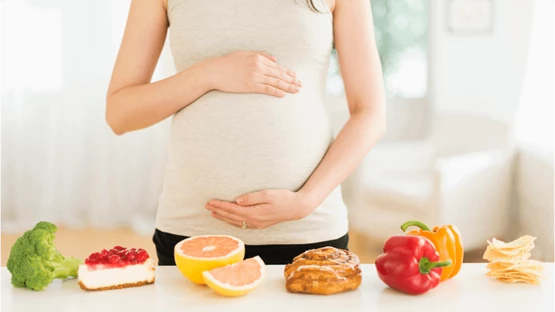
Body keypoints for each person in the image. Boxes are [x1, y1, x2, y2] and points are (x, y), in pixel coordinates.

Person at [105, 0, 386, 265]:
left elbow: (370, 113)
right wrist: (208, 73)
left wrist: (305, 201)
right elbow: (120, 114)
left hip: (309, 233)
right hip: (194, 235)